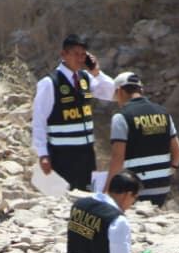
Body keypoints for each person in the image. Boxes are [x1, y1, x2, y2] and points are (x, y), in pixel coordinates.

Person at [31, 34, 117, 191]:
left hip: (86, 153)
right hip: (62, 154)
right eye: (76, 54)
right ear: (64, 54)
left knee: (85, 195)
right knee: (62, 198)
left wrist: (96, 72)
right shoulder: (50, 83)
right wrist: (43, 154)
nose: (80, 58)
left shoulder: (86, 79)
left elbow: (113, 93)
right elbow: (39, 120)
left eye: (83, 54)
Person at [106, 72, 179, 207]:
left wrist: (107, 190)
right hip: (162, 187)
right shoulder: (164, 113)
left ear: (119, 91)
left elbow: (117, 158)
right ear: (141, 90)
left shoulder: (121, 117)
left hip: (133, 190)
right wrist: (169, 171)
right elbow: (178, 153)